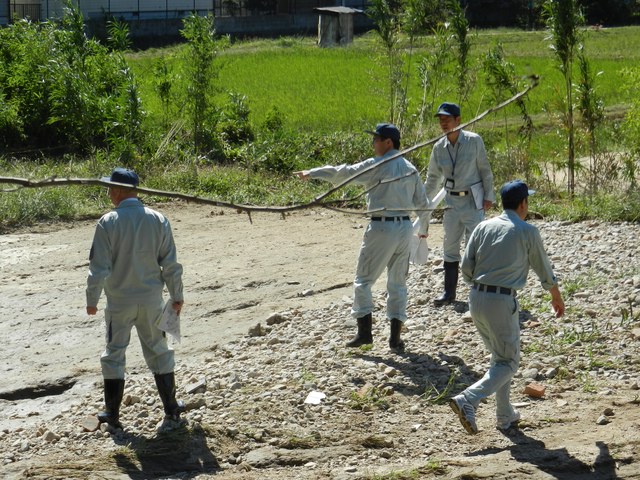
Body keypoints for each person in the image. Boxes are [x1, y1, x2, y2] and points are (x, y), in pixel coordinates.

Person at [295, 123, 431, 352]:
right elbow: (423, 204)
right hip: (405, 228)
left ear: (388, 142)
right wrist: (423, 229)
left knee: (363, 280)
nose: (373, 143)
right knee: (398, 283)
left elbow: (344, 173)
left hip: (381, 227)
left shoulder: (378, 165)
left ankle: (365, 333)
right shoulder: (411, 168)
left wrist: (313, 172)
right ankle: (395, 339)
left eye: (376, 139)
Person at [450, 180, 565, 435]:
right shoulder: (527, 231)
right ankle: (468, 398)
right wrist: (556, 297)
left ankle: (504, 414)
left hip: (476, 299)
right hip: (502, 301)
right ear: (523, 203)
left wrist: (480, 286)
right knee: (509, 363)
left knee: (499, 357)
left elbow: (466, 267)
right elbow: (544, 270)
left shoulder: (483, 226)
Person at [86, 167, 185, 429]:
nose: (108, 193)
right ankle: (171, 408)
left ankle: (112, 414)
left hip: (119, 302)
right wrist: (177, 295)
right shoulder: (159, 219)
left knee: (114, 353)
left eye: (110, 188)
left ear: (118, 190)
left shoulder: (108, 222)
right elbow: (171, 264)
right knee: (159, 350)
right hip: (152, 300)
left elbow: (99, 268)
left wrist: (92, 300)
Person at [424, 102, 495, 306]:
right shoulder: (439, 147)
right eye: (441, 120)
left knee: (476, 245)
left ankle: (482, 289)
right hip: (451, 203)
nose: (443, 123)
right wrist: (422, 203)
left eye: (447, 119)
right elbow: (432, 178)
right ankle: (449, 293)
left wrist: (489, 196)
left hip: (473, 200)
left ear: (458, 120)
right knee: (450, 246)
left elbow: (485, 170)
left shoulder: (474, 141)